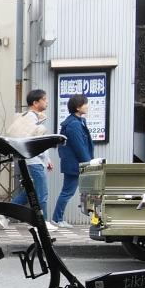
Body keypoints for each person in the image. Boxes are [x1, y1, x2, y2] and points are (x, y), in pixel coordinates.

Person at [6, 89, 55, 229]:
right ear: (35, 102)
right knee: (42, 193)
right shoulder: (31, 118)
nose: (47, 102)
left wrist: (47, 160)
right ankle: (42, 223)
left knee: (30, 192)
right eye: (44, 99)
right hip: (34, 161)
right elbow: (34, 142)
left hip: (34, 160)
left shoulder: (31, 117)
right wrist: (44, 159)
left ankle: (3, 213)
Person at [53, 93, 96, 225]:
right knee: (67, 192)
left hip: (75, 164)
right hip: (74, 165)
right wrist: (88, 163)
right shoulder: (74, 124)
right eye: (85, 104)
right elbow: (79, 147)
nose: (87, 106)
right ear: (78, 107)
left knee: (69, 191)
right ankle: (57, 219)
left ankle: (58, 219)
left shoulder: (79, 121)